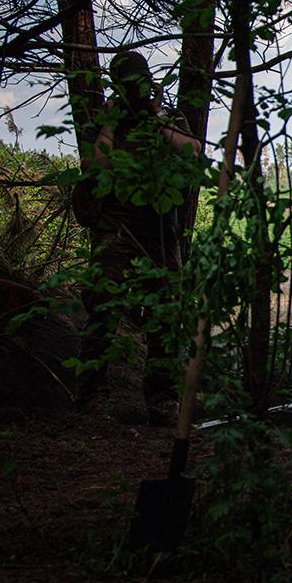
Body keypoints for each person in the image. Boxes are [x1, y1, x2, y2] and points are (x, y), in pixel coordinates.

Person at [75, 51, 202, 425]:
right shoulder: (102, 124)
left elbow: (192, 153)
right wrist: (112, 124)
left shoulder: (167, 119)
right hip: (115, 231)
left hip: (159, 235)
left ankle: (162, 401)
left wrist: (157, 118)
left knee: (165, 319)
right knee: (102, 313)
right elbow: (95, 168)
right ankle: (91, 399)